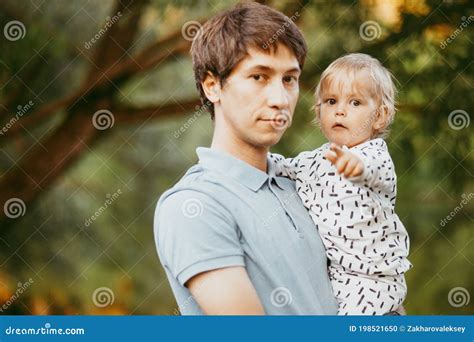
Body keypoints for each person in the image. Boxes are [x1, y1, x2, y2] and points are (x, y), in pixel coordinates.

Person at [153, 2, 338, 315]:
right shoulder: (193, 205)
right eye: (259, 77)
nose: (280, 99)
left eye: (289, 79)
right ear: (213, 86)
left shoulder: (305, 181)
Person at [269, 53, 412, 315]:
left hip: (374, 282)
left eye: (355, 102)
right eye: (331, 101)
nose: (340, 110)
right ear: (318, 112)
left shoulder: (375, 155)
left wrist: (354, 167)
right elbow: (281, 165)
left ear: (379, 116)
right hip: (339, 279)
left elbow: (371, 171)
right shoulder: (316, 158)